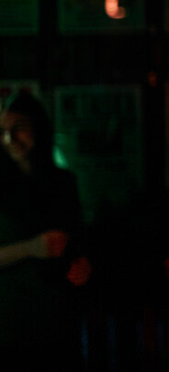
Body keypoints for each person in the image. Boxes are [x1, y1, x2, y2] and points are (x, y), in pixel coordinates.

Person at [0, 91, 92, 369]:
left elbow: (77, 238)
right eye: (3, 131)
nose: (9, 139)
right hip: (9, 325)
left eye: (19, 129)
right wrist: (31, 248)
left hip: (56, 320)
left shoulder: (63, 182)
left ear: (38, 129)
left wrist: (84, 264)